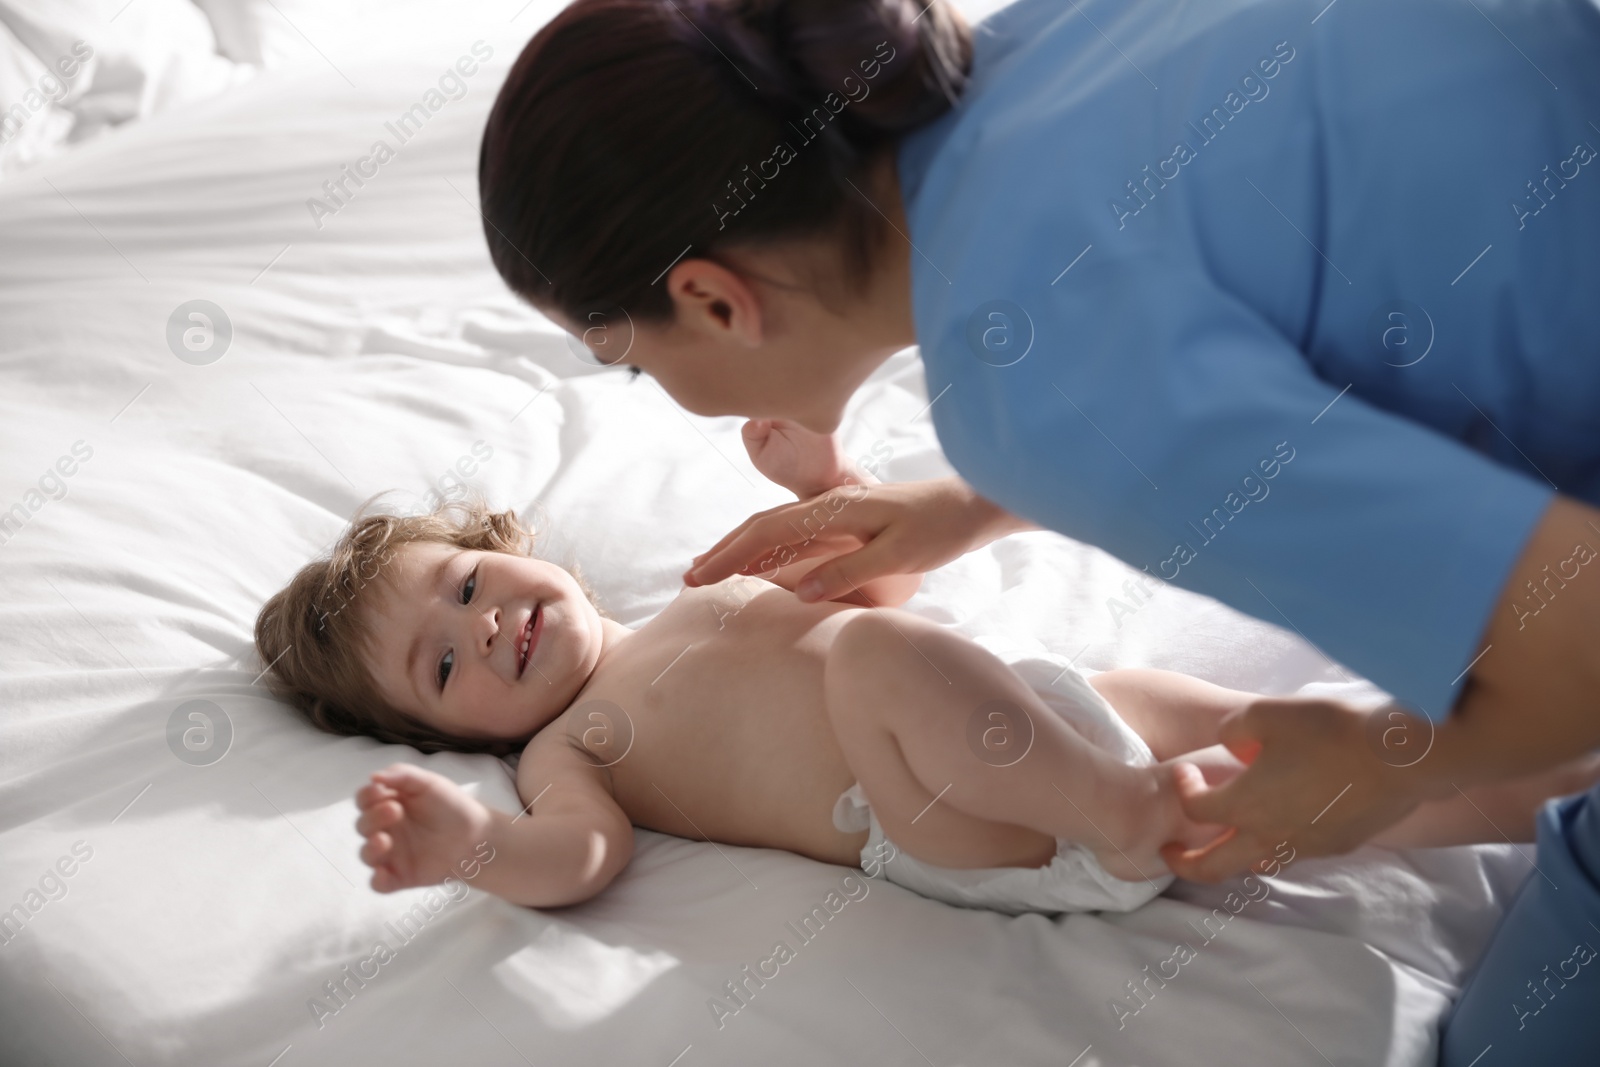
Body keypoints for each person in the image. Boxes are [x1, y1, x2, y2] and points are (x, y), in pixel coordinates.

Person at [475, 0, 1600, 1058]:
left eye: (623, 361)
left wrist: (1379, 764)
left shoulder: (1039, 391)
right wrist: (969, 503)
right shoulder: (1029, 43)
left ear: (715, 300)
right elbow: (1200, 277)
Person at [254, 423, 1589, 921]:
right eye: (443, 662)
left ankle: (1541, 779)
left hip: (1045, 724)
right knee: (884, 657)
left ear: (513, 552)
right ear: (447, 731)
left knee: (1285, 742)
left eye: (471, 586)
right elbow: (581, 863)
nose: (486, 626)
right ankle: (1128, 818)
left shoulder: (700, 592)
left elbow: (886, 588)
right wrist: (478, 848)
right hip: (936, 820)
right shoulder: (562, 756)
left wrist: (828, 484)